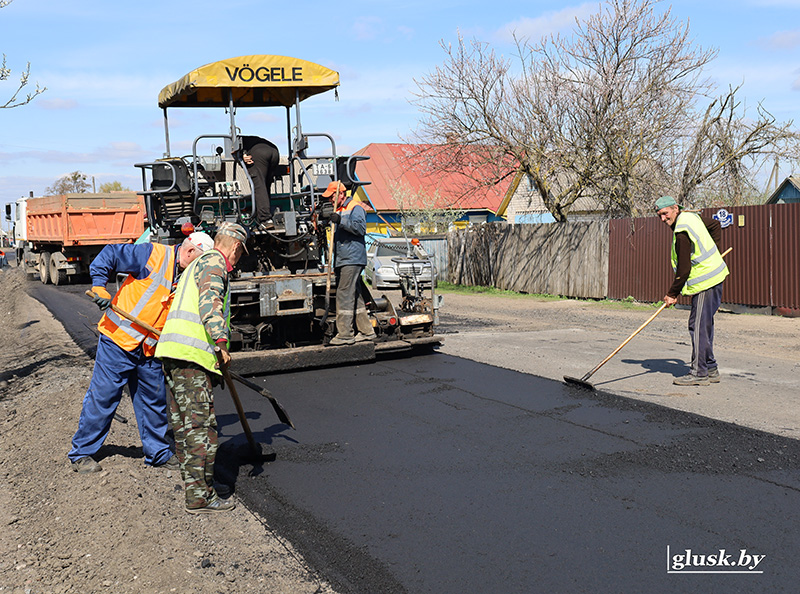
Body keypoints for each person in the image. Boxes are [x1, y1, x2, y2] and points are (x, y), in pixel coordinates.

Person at [68, 231, 215, 473]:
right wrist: (99, 287)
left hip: (150, 347)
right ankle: (82, 451)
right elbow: (109, 255)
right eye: (199, 263)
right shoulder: (152, 254)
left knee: (153, 402)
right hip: (119, 339)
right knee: (104, 396)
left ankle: (157, 453)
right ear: (189, 252)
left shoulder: (188, 277)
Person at [155, 222, 249, 514]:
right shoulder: (215, 264)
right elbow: (211, 303)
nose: (238, 259)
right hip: (191, 356)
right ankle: (199, 497)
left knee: (184, 425)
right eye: (240, 254)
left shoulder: (195, 265)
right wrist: (221, 343)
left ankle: (195, 486)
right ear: (234, 247)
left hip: (173, 353)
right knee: (200, 427)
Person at [656, 196, 729, 386]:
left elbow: (684, 269)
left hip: (706, 281)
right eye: (659, 216)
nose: (663, 219)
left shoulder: (681, 231)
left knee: (697, 326)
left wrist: (672, 294)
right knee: (704, 325)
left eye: (665, 214)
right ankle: (711, 368)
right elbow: (714, 225)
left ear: (675, 209)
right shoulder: (691, 217)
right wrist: (715, 252)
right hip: (713, 277)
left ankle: (699, 373)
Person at [324, 181, 377, 346]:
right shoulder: (340, 209)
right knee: (356, 295)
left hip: (352, 259)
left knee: (344, 294)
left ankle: (345, 334)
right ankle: (367, 331)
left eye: (332, 196)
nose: (330, 201)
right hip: (344, 258)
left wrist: (340, 221)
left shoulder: (355, 207)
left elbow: (360, 229)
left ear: (341, 194)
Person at [238, 136, 280, 227]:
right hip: (274, 151)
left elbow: (235, 152)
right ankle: (264, 213)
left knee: (258, 185)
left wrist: (242, 156)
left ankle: (265, 219)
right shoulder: (249, 139)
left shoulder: (233, 141)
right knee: (265, 184)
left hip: (258, 154)